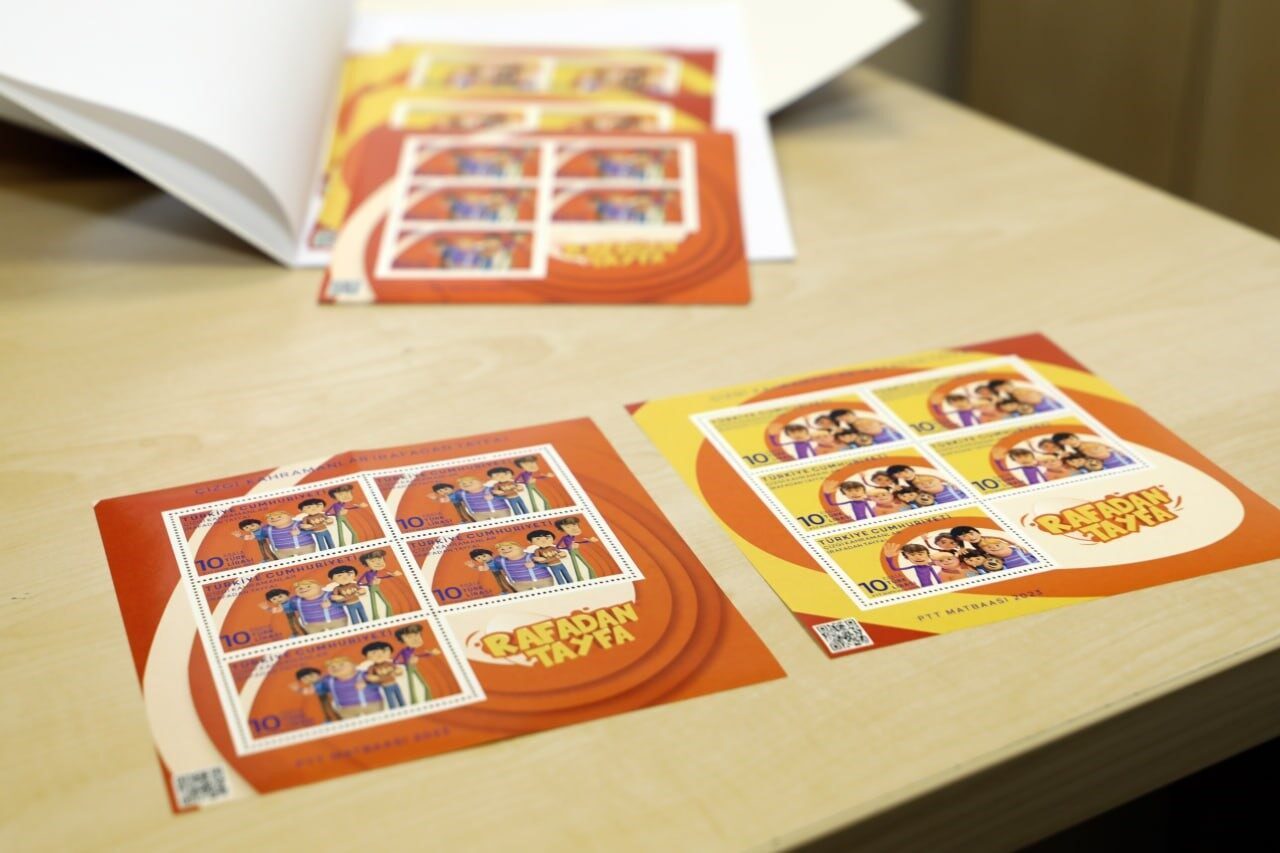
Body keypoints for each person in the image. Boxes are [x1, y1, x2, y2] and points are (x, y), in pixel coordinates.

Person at [310, 657, 384, 719]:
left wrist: (367, 683)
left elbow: (379, 682)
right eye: (332, 667)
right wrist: (314, 687)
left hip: (370, 705)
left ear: (354, 665)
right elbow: (322, 689)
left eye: (341, 664)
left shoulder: (364, 674)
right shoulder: (328, 680)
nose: (336, 668)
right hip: (345, 709)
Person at [393, 623, 443, 704]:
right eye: (409, 637)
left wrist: (431, 653)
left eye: (417, 635)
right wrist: (404, 663)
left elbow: (420, 654)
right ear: (402, 640)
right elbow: (396, 661)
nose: (415, 639)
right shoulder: (405, 651)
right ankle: (415, 701)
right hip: (409, 670)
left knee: (424, 686)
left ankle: (427, 699)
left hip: (416, 669)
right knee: (414, 686)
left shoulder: (417, 649)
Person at [277, 579, 347, 634]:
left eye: (308, 586)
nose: (303, 589)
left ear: (320, 586)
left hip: (336, 621)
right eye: (300, 588)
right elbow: (291, 608)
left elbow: (344, 602)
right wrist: (283, 608)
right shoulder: (296, 600)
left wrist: (332, 603)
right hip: (311, 625)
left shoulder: (330, 594)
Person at [491, 541, 555, 591]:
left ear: (521, 548)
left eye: (510, 547)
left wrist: (536, 564)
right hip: (518, 584)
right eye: (502, 549)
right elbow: (495, 568)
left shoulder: (533, 555)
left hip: (542, 580)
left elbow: (548, 563)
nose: (506, 550)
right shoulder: (499, 560)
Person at [359, 642, 407, 710]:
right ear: (367, 656)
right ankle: (394, 710)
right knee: (391, 700)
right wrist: (373, 678)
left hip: (395, 684)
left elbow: (399, 671)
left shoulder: (389, 663)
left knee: (400, 698)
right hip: (386, 686)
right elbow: (370, 677)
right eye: (374, 653)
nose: (379, 655)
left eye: (383, 651)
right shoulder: (372, 668)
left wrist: (398, 671)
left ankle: (404, 708)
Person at [356, 549, 400, 618]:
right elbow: (358, 583)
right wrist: (368, 584)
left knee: (387, 603)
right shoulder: (367, 573)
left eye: (380, 560)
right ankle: (375, 617)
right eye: (373, 561)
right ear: (365, 564)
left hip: (377, 587)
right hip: (372, 588)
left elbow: (381, 577)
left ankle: (390, 615)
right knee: (374, 605)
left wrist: (392, 575)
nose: (378, 563)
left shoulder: (376, 572)